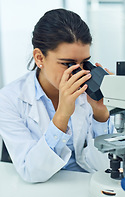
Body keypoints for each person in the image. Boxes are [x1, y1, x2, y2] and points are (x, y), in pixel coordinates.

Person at [0, 9, 114, 183]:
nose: (79, 72)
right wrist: (62, 116)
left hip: (82, 184)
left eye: (84, 62)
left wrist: (101, 114)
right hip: (41, 191)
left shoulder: (87, 95)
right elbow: (32, 171)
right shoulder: (9, 99)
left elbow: (103, 166)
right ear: (39, 57)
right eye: (68, 64)